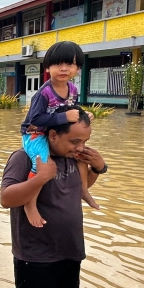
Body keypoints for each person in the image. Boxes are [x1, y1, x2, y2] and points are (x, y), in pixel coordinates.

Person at [0, 106, 108, 288]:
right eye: (74, 141)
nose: (80, 147)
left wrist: (99, 167)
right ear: (53, 135)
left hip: (70, 249)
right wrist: (42, 177)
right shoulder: (25, 158)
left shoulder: (74, 159)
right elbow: (7, 199)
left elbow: (76, 190)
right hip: (36, 253)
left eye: (85, 141)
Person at [20, 41, 99, 228]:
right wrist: (64, 116)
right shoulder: (44, 93)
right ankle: (30, 204)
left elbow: (72, 109)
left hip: (56, 133)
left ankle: (83, 190)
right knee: (42, 162)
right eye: (58, 64)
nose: (64, 69)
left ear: (78, 68)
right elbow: (36, 119)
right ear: (47, 67)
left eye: (70, 64)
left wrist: (83, 114)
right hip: (34, 134)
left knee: (80, 154)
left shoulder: (73, 89)